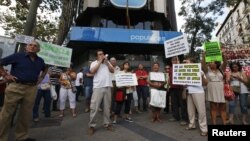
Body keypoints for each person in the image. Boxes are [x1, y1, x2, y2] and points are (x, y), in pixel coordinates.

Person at [0, 41, 47, 141]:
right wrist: (5, 75)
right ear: (26, 47)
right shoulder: (18, 56)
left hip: (31, 88)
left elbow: (45, 68)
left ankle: (21, 137)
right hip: (16, 87)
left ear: (38, 49)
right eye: (30, 45)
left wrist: (41, 78)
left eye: (35, 46)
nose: (33, 47)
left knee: (26, 115)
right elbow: (1, 63)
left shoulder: (40, 61)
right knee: (6, 114)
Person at [88, 49, 114, 135]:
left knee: (107, 108)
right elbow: (92, 71)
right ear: (97, 56)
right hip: (98, 87)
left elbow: (112, 70)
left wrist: (106, 63)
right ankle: (92, 126)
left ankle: (107, 123)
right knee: (94, 108)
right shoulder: (94, 63)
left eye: (102, 54)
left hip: (107, 87)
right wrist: (100, 62)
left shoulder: (107, 62)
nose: (102, 55)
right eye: (99, 54)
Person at [183, 57, 208, 136]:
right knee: (190, 110)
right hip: (189, 92)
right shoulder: (185, 71)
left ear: (192, 63)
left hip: (198, 92)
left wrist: (202, 75)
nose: (185, 63)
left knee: (201, 111)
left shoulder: (199, 71)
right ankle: (192, 124)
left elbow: (206, 83)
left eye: (187, 62)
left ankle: (204, 129)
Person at [201, 52, 227, 125]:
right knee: (213, 107)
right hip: (211, 89)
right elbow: (202, 63)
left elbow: (225, 62)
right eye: (210, 62)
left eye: (212, 62)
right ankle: (214, 123)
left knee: (223, 108)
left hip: (221, 89)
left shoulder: (221, 69)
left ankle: (224, 123)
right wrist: (204, 56)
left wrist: (223, 56)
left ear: (216, 63)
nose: (210, 63)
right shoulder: (207, 70)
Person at [169, 56, 188, 125]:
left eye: (175, 60)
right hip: (173, 88)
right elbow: (169, 77)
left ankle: (184, 119)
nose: (174, 61)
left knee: (182, 104)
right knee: (174, 103)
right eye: (173, 60)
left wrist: (179, 63)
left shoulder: (181, 67)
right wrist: (168, 85)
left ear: (177, 61)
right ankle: (176, 116)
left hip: (180, 88)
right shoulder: (171, 68)